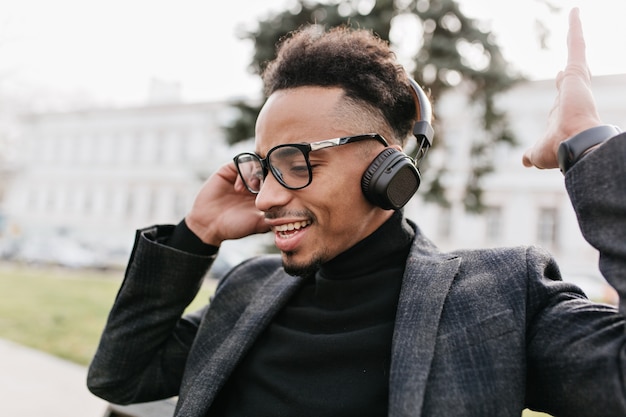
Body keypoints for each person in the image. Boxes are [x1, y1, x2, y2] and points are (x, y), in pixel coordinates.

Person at [87, 8, 626, 417]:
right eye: (263, 167)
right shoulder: (250, 288)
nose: (266, 197)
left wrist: (588, 149)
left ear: (387, 169)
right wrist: (196, 234)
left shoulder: (500, 297)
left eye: (296, 161)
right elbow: (120, 376)